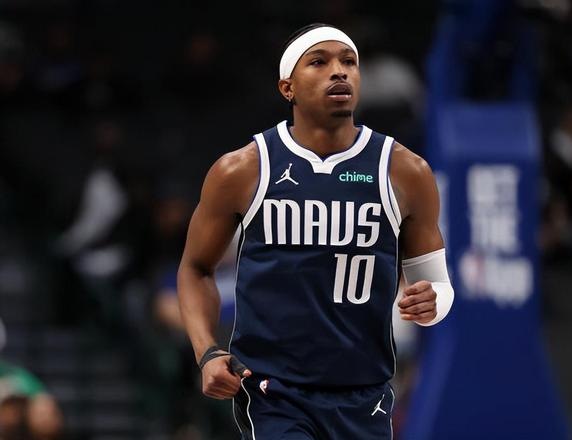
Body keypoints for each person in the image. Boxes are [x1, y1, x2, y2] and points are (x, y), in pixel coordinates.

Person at [177, 23, 454, 439]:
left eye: (349, 62)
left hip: (365, 391)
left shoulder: (405, 170)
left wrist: (433, 302)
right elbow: (195, 268)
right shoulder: (242, 169)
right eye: (319, 62)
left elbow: (436, 286)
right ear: (287, 88)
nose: (339, 71)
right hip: (274, 390)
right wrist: (207, 351)